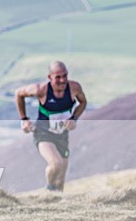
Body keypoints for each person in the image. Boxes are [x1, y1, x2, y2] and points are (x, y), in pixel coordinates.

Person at [15, 61, 87, 192]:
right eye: (58, 77)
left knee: (61, 177)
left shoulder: (74, 88)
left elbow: (83, 102)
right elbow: (18, 94)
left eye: (64, 76)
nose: (62, 80)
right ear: (50, 77)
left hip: (62, 134)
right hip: (43, 133)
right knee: (56, 164)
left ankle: (56, 202)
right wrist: (24, 120)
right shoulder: (40, 89)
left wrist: (74, 118)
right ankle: (49, 189)